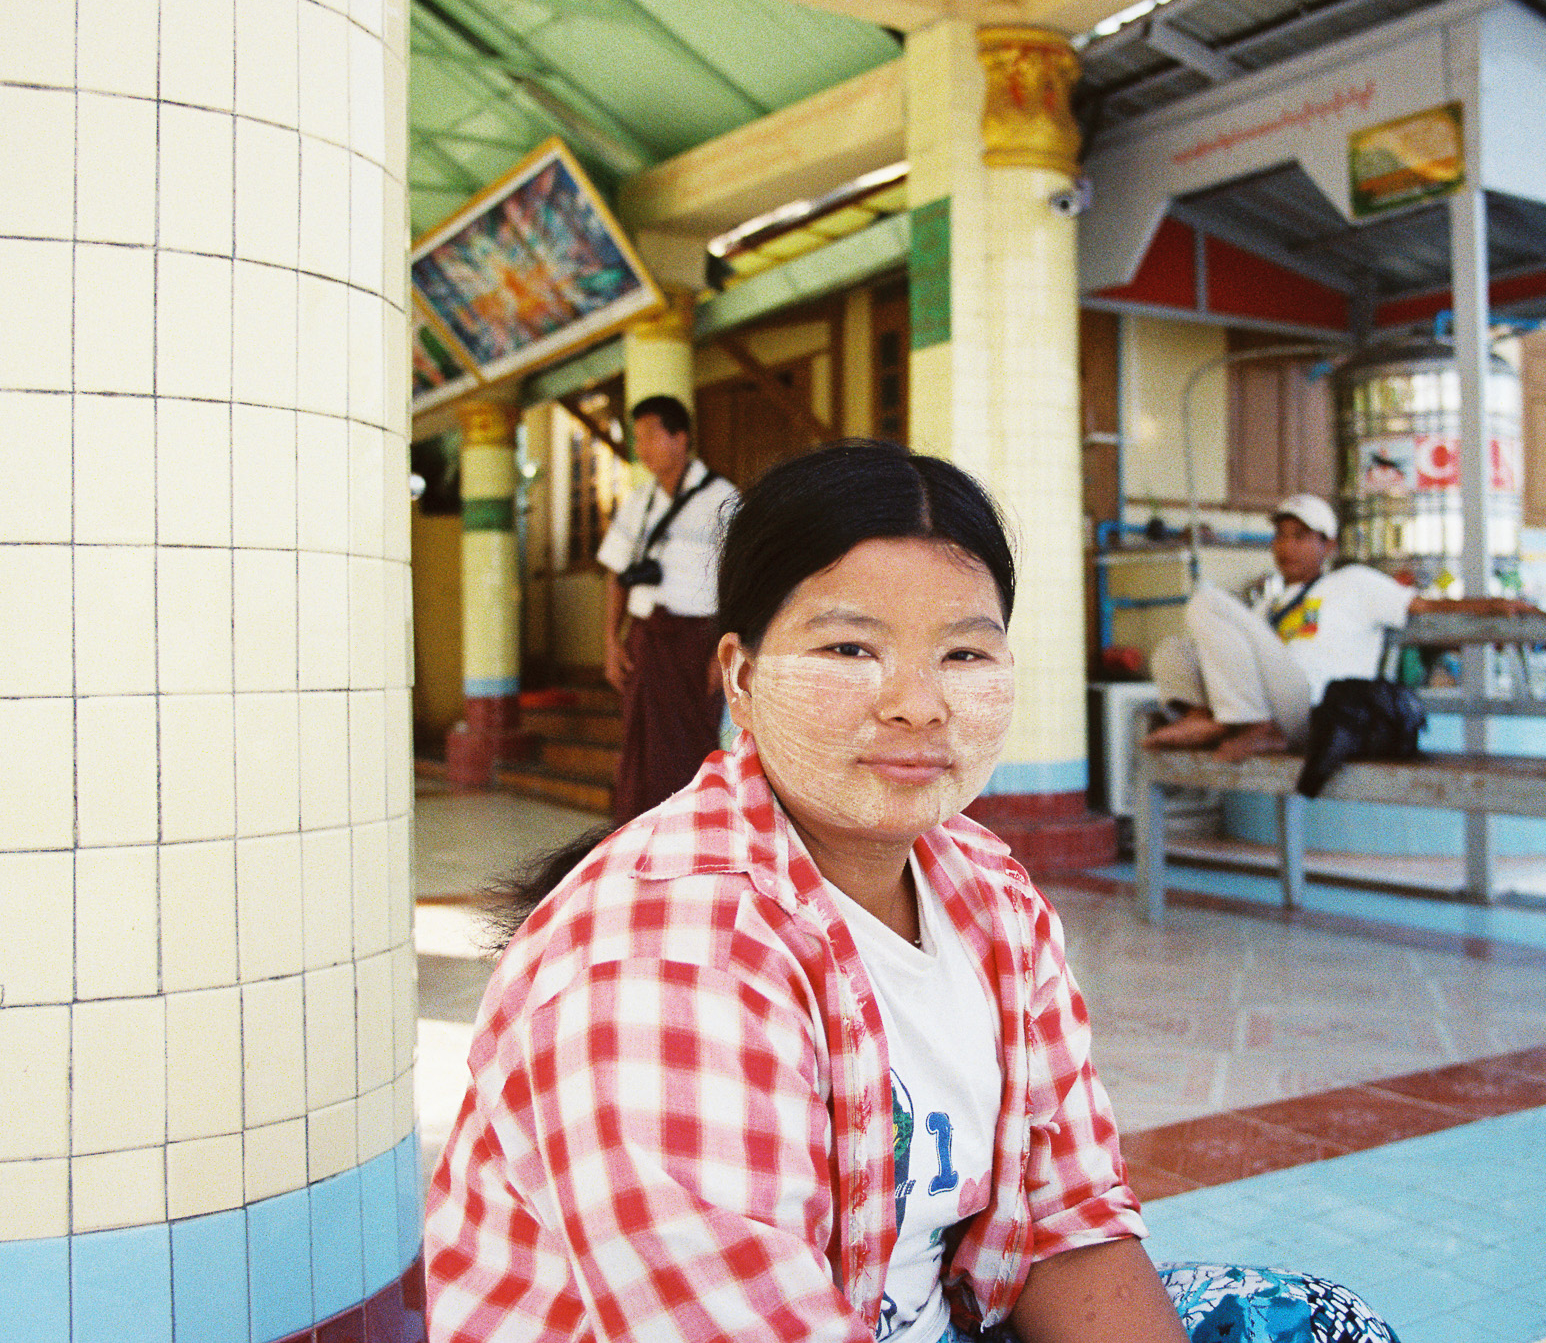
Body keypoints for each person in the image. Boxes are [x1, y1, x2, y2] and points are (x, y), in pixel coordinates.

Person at [425, 441, 1400, 1343]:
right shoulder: (660, 963)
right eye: (850, 648)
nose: (917, 704)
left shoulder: (990, 896)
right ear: (741, 676)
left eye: (964, 652)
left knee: (1321, 1322)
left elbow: (1064, 1215)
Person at [1144, 492, 1532, 761]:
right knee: (1173, 649)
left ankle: (1251, 725)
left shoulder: (1354, 582)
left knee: (1207, 600)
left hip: (1315, 709)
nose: (1286, 547)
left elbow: (1426, 605)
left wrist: (1494, 604)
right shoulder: (1269, 603)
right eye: (1280, 536)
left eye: (1300, 537)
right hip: (1271, 700)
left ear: (1328, 547)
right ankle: (1204, 715)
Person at [594, 394, 740, 822]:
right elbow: (617, 575)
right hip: (646, 638)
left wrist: (723, 651)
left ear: (680, 438)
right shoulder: (639, 501)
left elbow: (740, 579)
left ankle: (692, 830)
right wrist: (611, 641)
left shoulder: (722, 498)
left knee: (691, 746)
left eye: (649, 436)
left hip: (697, 644)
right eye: (636, 439)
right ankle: (638, 829)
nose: (641, 449)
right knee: (639, 747)